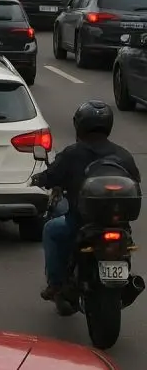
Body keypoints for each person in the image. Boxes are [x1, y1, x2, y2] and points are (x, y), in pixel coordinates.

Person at [31, 100, 140, 312]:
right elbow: (136, 178)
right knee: (125, 246)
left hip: (81, 224)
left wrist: (38, 179)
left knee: (51, 230)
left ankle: (55, 284)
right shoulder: (123, 155)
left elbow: (51, 176)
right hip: (119, 226)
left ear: (79, 125)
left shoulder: (72, 153)